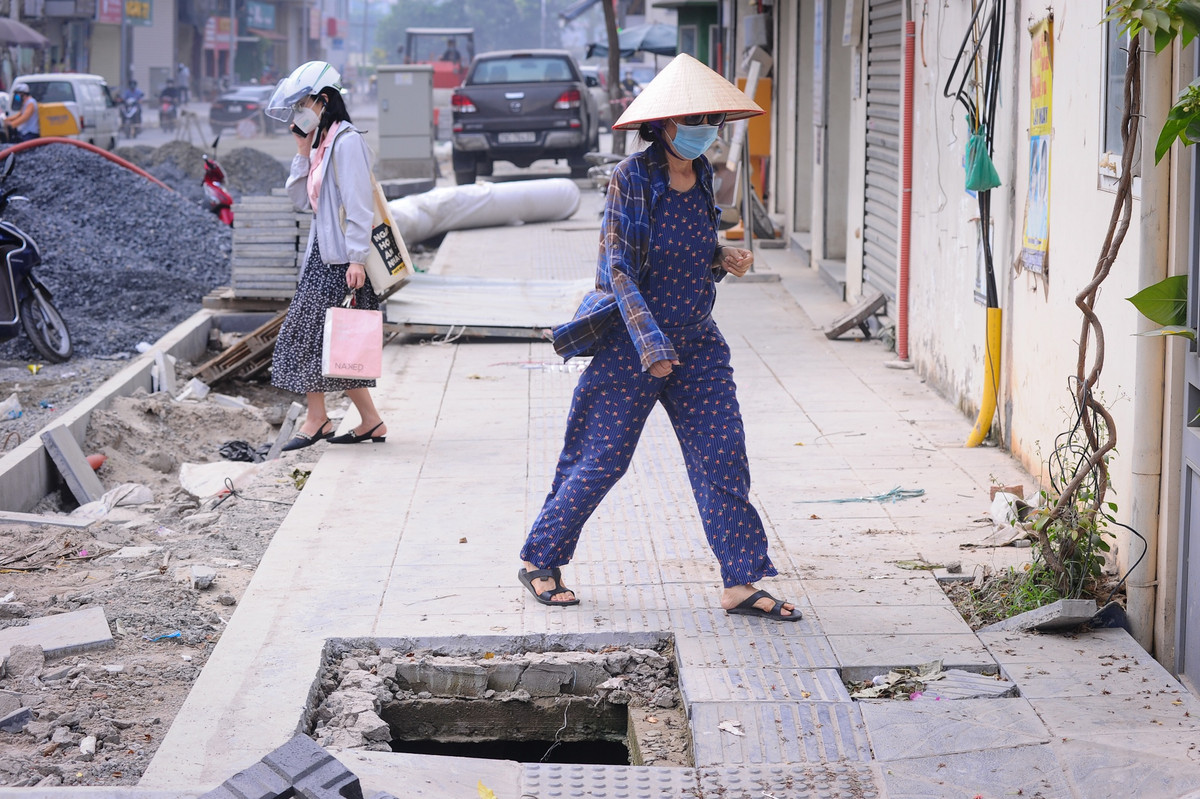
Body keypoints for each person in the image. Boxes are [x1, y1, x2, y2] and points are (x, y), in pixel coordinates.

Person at [517, 54, 800, 621]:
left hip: (697, 341)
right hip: (633, 344)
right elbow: (618, 268)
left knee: (723, 454)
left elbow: (688, 251)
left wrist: (723, 257)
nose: (706, 133)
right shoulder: (630, 179)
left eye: (712, 122)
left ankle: (741, 581)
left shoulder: (702, 182)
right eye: (696, 121)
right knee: (601, 458)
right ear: (664, 125)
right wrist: (651, 347)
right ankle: (540, 560)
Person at [266, 61, 388, 451]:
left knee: (316, 338)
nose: (298, 111)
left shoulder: (347, 141)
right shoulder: (321, 143)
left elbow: (359, 205)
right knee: (326, 341)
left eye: (302, 103)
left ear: (323, 100)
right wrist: (302, 152)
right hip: (323, 256)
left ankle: (321, 418)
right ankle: (364, 420)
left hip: (341, 261)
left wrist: (356, 258)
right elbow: (303, 201)